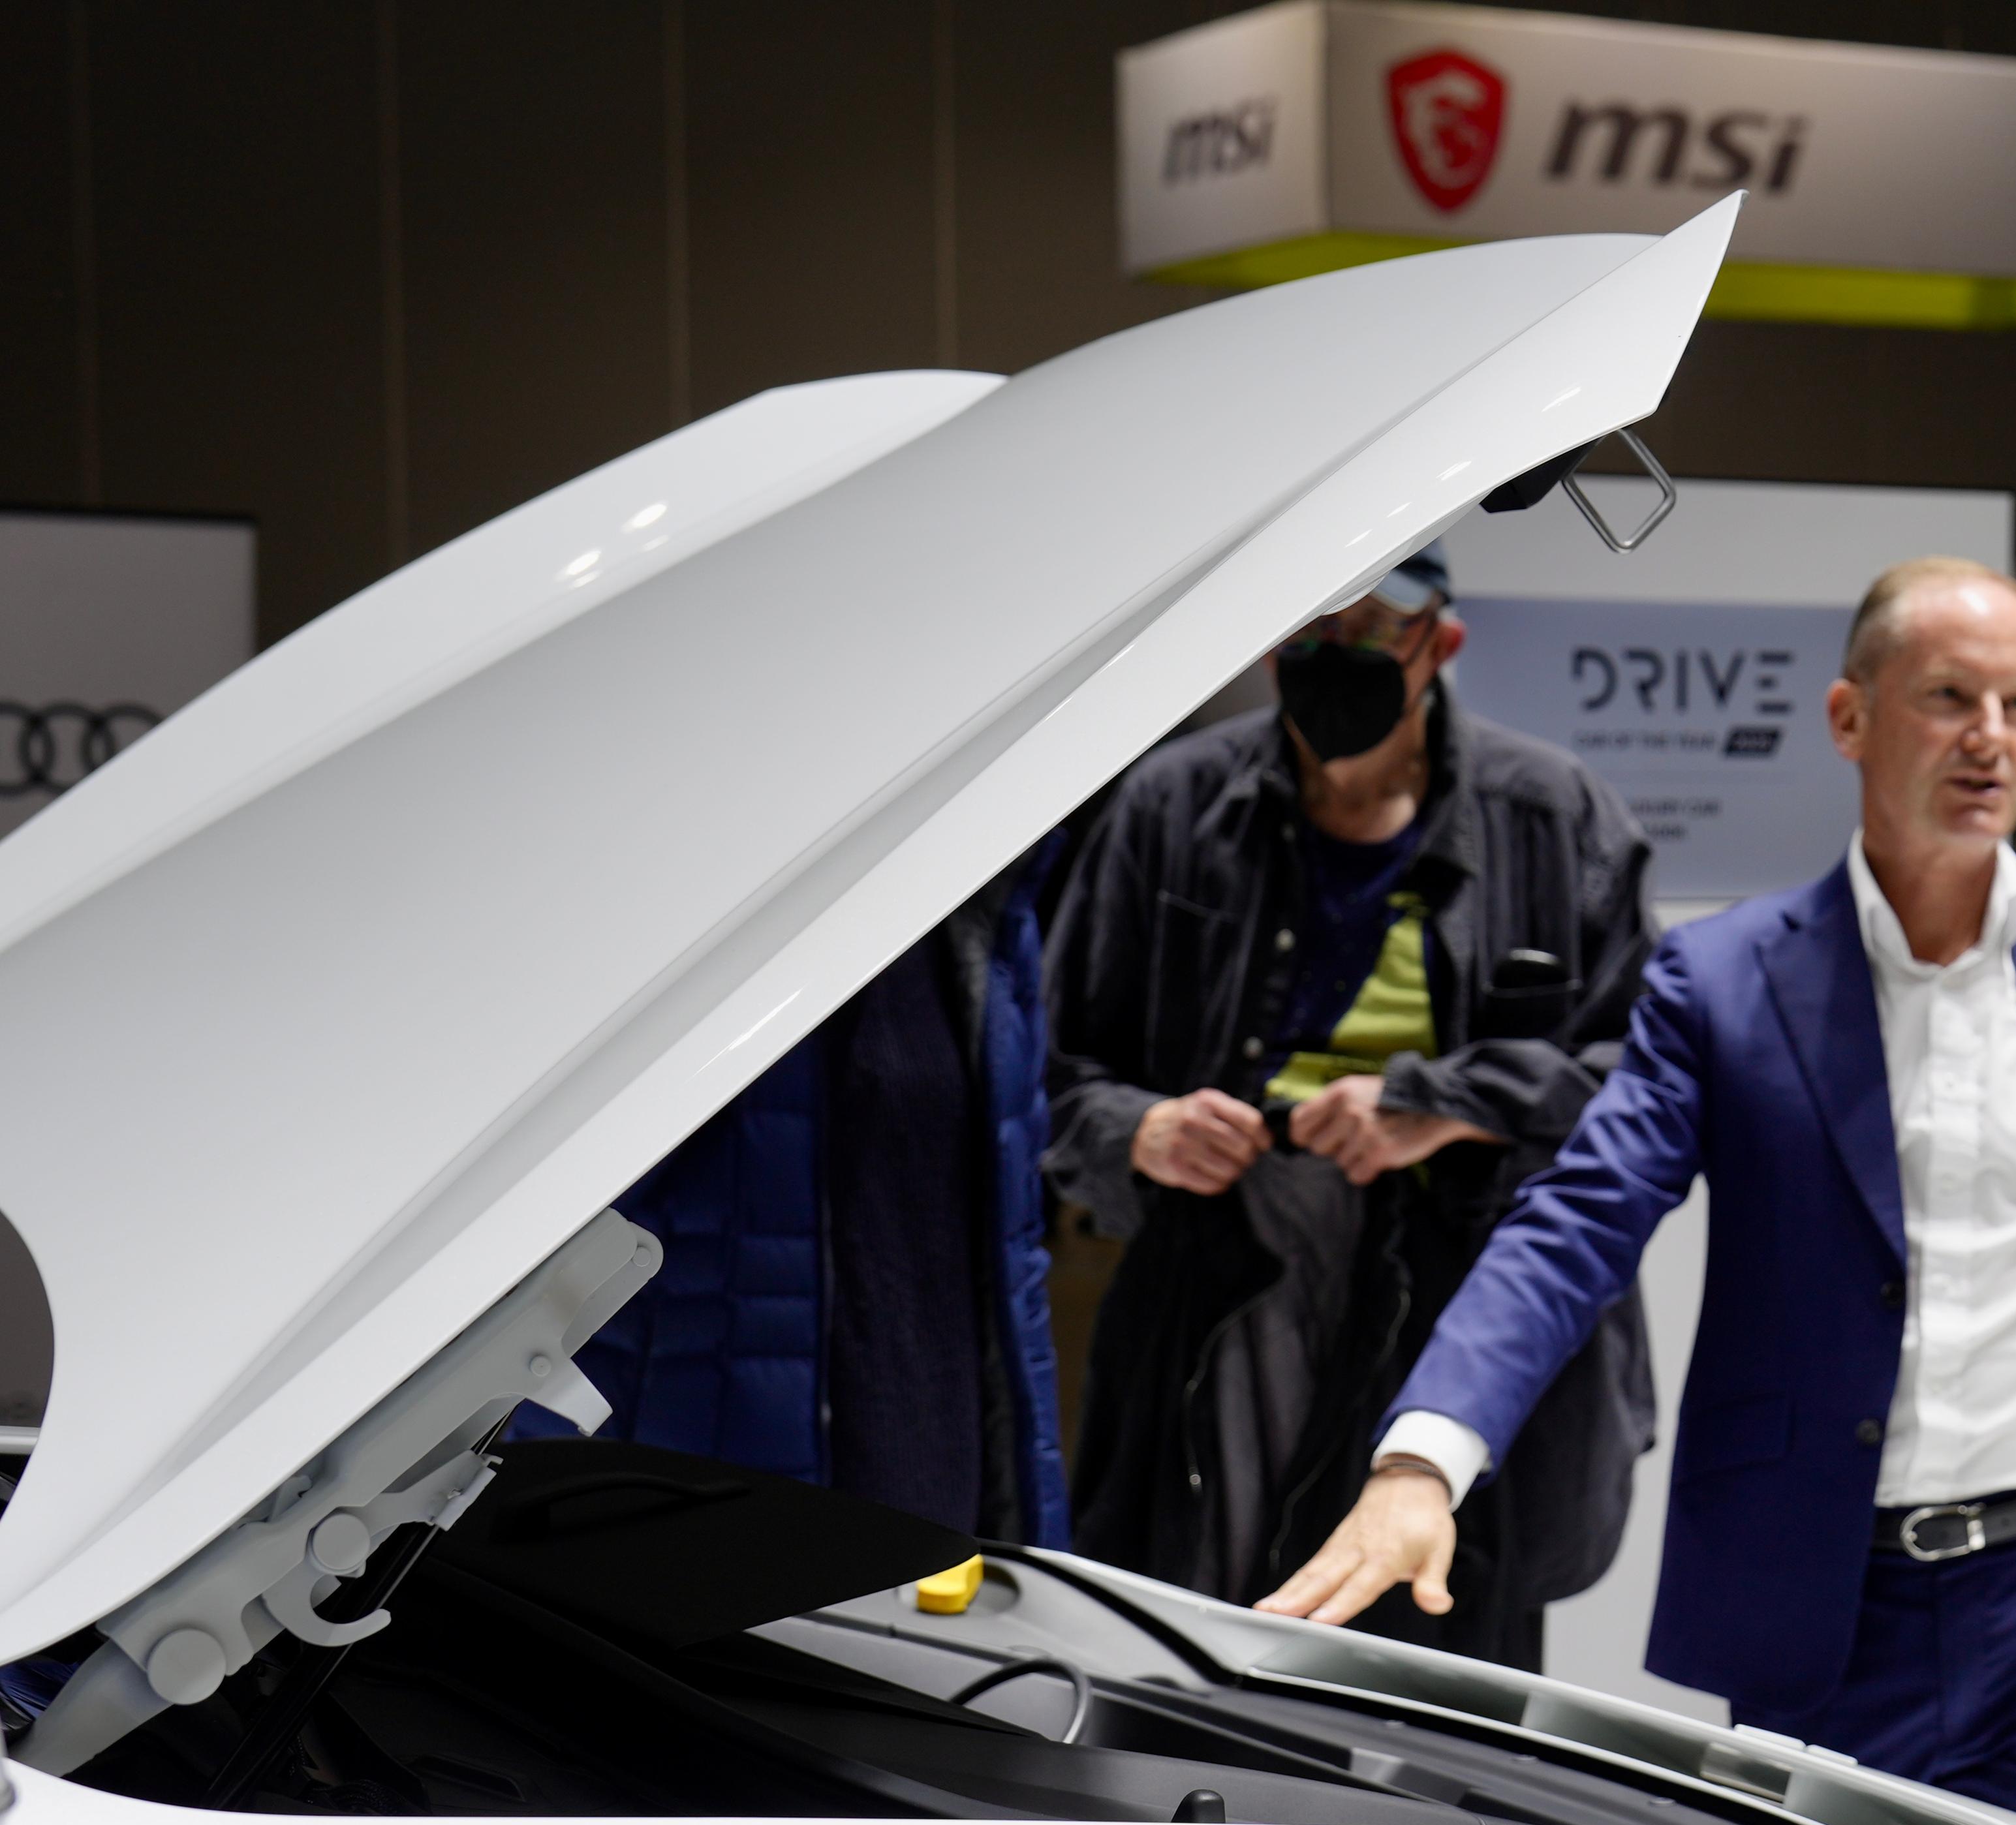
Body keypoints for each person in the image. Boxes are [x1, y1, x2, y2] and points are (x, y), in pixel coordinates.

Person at [1260, 558, 2016, 1825]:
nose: (1990, 738)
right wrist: (1424, 1457)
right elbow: (1579, 1218)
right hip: (1823, 1601)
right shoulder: (1721, 979)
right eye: (1949, 697)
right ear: (1847, 719)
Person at [1045, 545, 1654, 1666]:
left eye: (1372, 632)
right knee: (1204, 1631)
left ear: (1442, 645)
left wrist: (1447, 1104)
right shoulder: (1171, 809)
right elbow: (1048, 1074)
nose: (1336, 660)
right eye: (1309, 632)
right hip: (1219, 1293)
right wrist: (1143, 1129)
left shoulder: (1553, 817)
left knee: (1442, 1669)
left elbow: (1642, 1079)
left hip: (1464, 1309)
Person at [541, 845, 1071, 1543]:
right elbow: (555, 1228)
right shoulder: (679, 895)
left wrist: (1031, 1512)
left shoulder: (981, 905)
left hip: (940, 1472)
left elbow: (1012, 1242)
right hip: (699, 1483)